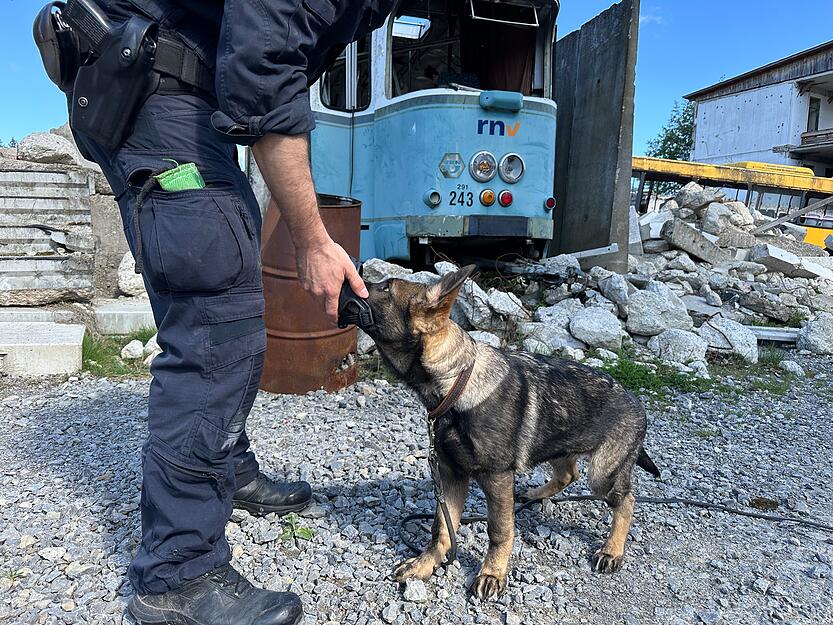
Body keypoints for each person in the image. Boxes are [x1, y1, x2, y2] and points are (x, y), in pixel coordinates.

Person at [36, 1, 393, 623]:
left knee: (226, 276)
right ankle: (177, 574)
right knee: (213, 322)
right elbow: (263, 66)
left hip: (172, 90)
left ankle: (223, 465)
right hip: (154, 86)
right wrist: (312, 240)